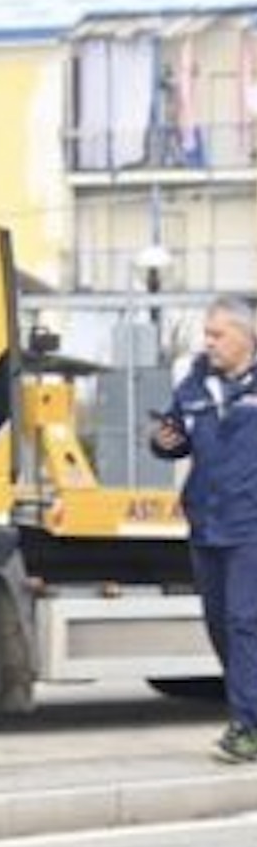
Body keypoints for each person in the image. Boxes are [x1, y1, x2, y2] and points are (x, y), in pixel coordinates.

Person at [150, 296, 257, 763]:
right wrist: (163, 442)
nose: (208, 343)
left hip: (250, 527)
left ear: (246, 336)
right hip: (206, 525)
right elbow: (176, 436)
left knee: (244, 621)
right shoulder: (195, 384)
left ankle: (246, 727)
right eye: (206, 334)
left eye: (217, 335)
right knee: (220, 626)